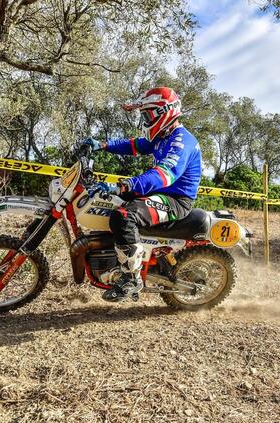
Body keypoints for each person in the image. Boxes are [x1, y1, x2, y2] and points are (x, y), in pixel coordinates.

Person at [84, 87, 202, 302]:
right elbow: (135, 145)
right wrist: (102, 145)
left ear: (163, 113)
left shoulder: (181, 141)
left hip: (175, 200)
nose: (144, 121)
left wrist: (126, 185)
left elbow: (164, 174)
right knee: (107, 202)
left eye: (147, 116)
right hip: (160, 192)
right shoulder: (163, 135)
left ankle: (131, 279)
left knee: (123, 216)